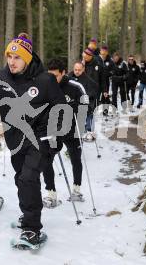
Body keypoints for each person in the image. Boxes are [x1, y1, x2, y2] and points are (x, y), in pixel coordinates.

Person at [0, 33, 66, 246]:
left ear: (28, 59)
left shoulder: (45, 80)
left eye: (17, 58)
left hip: (42, 137)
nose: (12, 62)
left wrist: (55, 133)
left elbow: (62, 110)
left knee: (27, 178)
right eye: (9, 57)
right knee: (21, 179)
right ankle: (28, 216)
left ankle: (33, 229)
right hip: (15, 138)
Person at [42, 58, 88, 208]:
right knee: (46, 159)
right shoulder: (46, 86)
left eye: (55, 76)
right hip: (54, 130)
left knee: (75, 158)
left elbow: (86, 103)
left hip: (73, 129)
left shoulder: (75, 86)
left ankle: (76, 190)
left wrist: (77, 108)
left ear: (63, 73)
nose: (52, 79)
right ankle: (51, 194)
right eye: (50, 76)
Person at [68, 61, 98, 142]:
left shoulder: (88, 80)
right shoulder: (68, 77)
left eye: (79, 70)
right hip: (71, 105)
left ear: (83, 69)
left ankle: (86, 132)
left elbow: (93, 92)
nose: (77, 71)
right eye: (75, 69)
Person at [99, 46, 114, 117]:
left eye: (105, 51)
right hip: (98, 80)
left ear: (107, 52)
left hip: (106, 81)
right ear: (100, 51)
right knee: (98, 96)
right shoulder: (97, 59)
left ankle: (105, 111)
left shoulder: (110, 61)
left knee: (105, 96)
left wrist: (109, 74)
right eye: (102, 51)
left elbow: (114, 70)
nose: (103, 52)